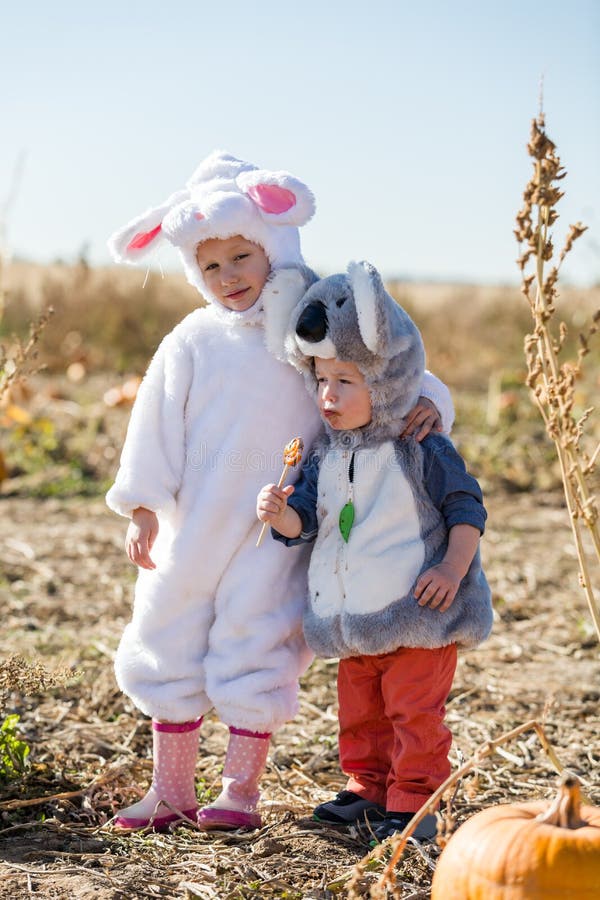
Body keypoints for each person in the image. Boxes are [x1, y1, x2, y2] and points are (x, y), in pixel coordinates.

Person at [105, 153, 455, 834]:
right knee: (169, 636)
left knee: (256, 643)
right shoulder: (190, 341)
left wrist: (430, 402)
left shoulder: (309, 322)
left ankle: (238, 794)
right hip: (193, 524)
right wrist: (144, 506)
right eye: (211, 266)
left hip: (281, 525)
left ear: (274, 247)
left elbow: (384, 360)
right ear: (193, 274)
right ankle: (171, 790)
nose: (229, 275)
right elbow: (153, 421)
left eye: (243, 255)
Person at [257, 261, 493, 843]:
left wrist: (451, 567)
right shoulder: (325, 457)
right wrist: (280, 512)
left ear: (383, 381)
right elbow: (305, 519)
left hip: (418, 612)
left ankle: (414, 801)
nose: (328, 396)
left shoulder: (420, 445)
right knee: (361, 713)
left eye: (346, 381)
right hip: (355, 615)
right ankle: (369, 788)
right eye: (321, 381)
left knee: (414, 714)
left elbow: (467, 507)